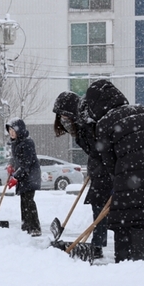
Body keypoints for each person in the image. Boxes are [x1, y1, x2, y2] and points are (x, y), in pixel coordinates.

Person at [85, 79, 144, 263]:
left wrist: (119, 177)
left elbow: (110, 163)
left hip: (129, 187)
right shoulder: (143, 111)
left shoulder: (103, 124)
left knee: (128, 232)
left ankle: (129, 268)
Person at [52, 91, 113, 259]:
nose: (63, 120)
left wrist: (100, 169)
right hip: (99, 172)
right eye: (60, 116)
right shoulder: (80, 130)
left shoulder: (88, 126)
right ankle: (98, 245)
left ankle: (98, 245)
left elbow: (101, 150)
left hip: (107, 173)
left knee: (102, 208)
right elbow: (94, 153)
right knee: (98, 208)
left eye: (65, 115)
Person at [5, 118, 42, 236]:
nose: (11, 133)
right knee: (24, 201)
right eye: (9, 130)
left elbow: (26, 164)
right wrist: (10, 164)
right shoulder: (15, 142)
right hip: (23, 176)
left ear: (19, 130)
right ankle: (26, 226)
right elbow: (15, 157)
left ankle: (34, 227)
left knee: (28, 201)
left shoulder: (27, 143)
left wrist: (15, 177)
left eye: (13, 130)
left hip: (30, 176)